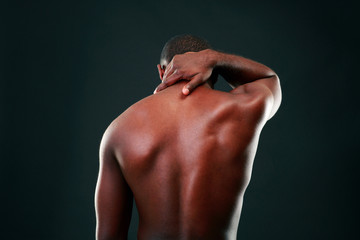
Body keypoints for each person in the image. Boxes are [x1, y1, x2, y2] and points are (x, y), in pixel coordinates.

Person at [95, 34, 282, 240]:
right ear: (216, 74)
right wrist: (214, 59)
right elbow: (269, 79)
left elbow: (108, 236)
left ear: (161, 71)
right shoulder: (241, 109)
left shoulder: (119, 130)